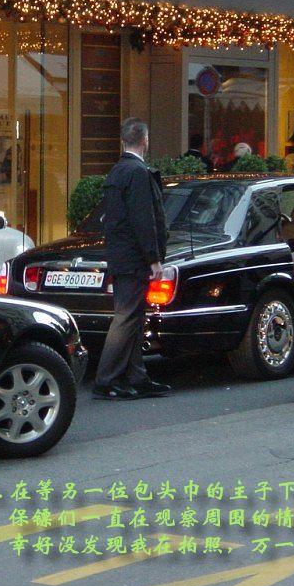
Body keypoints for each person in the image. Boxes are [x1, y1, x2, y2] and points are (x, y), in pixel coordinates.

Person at [94, 118, 171, 401]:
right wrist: (154, 258)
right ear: (145, 140)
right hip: (134, 258)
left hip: (121, 255)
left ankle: (137, 376)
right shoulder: (137, 172)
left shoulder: (117, 171)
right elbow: (143, 218)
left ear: (123, 140)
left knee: (135, 317)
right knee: (127, 317)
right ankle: (107, 380)